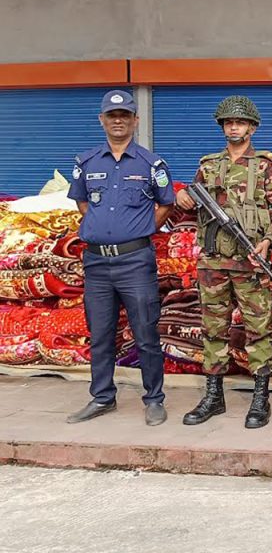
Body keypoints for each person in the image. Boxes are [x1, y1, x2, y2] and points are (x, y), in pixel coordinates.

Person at [175, 95, 272, 429]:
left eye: (240, 122)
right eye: (229, 122)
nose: (234, 127)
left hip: (250, 261)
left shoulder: (266, 165)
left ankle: (260, 397)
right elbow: (190, 201)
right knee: (213, 329)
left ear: (252, 127)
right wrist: (182, 196)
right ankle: (213, 395)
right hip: (213, 261)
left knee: (258, 330)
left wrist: (266, 242)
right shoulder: (208, 165)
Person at [66, 89, 175, 426]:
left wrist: (138, 229)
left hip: (135, 261)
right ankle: (102, 398)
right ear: (102, 120)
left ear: (135, 121)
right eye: (112, 116)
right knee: (100, 334)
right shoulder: (86, 163)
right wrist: (102, 228)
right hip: (96, 263)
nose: (118, 121)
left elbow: (166, 204)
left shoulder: (151, 164)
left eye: (125, 116)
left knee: (145, 333)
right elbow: (83, 203)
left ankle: (154, 399)